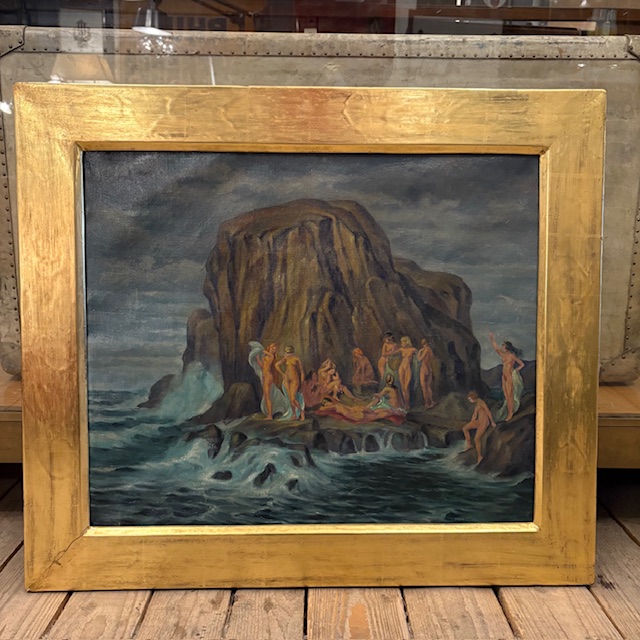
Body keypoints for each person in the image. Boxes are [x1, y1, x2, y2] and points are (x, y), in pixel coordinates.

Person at [489, 332, 525, 421]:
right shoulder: (503, 354)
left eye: (503, 346)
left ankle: (510, 413)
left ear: (507, 347)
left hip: (509, 376)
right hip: (504, 376)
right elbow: (496, 348)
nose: (502, 347)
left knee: (510, 396)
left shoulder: (511, 356)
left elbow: (521, 364)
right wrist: (492, 339)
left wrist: (515, 371)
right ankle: (509, 412)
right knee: (506, 396)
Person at [462, 391, 496, 464]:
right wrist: (471, 423)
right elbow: (475, 414)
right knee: (465, 428)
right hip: (479, 421)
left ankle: (479, 456)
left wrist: (492, 422)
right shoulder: (477, 403)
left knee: (476, 439)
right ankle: (469, 445)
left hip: (484, 423)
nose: (469, 401)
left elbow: (488, 412)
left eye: (470, 399)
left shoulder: (481, 402)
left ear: (473, 398)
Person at [276, 345, 306, 421]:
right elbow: (276, 365)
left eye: (289, 353)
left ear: (292, 352)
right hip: (286, 380)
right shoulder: (285, 358)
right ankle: (294, 414)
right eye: (286, 353)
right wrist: (282, 374)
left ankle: (301, 412)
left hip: (294, 380)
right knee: (290, 399)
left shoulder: (296, 359)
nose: (288, 354)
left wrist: (302, 383)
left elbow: (302, 371)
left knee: (293, 399)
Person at [255, 342, 278, 420]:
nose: (273, 350)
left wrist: (259, 349)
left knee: (267, 396)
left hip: (268, 377)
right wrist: (258, 359)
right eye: (272, 348)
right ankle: (269, 414)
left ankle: (270, 415)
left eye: (274, 349)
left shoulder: (271, 356)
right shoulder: (266, 356)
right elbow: (263, 366)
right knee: (266, 396)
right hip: (265, 376)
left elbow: (263, 350)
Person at [397, 336, 418, 408]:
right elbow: (391, 353)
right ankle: (405, 404)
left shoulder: (413, 350)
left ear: (407, 342)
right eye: (401, 342)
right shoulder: (401, 349)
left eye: (402, 342)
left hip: (408, 368)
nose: (401, 344)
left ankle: (407, 403)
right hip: (401, 367)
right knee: (403, 387)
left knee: (406, 387)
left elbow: (419, 356)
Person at [417, 338, 435, 409]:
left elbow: (419, 359)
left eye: (424, 343)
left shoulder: (426, 350)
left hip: (424, 369)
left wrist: (419, 352)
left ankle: (427, 403)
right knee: (428, 387)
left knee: (424, 387)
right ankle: (431, 401)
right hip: (428, 368)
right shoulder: (430, 350)